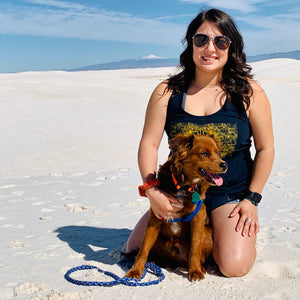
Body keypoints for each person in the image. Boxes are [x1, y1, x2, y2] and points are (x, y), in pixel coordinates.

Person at [126, 8, 274, 278]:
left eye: (220, 42)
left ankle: (220, 233)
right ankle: (200, 232)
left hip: (227, 195)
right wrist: (151, 190)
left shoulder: (249, 92)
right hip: (179, 193)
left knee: (234, 266)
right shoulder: (168, 92)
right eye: (201, 40)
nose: (210, 48)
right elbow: (148, 144)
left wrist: (252, 199)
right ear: (190, 44)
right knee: (133, 247)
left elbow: (266, 149)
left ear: (232, 47)